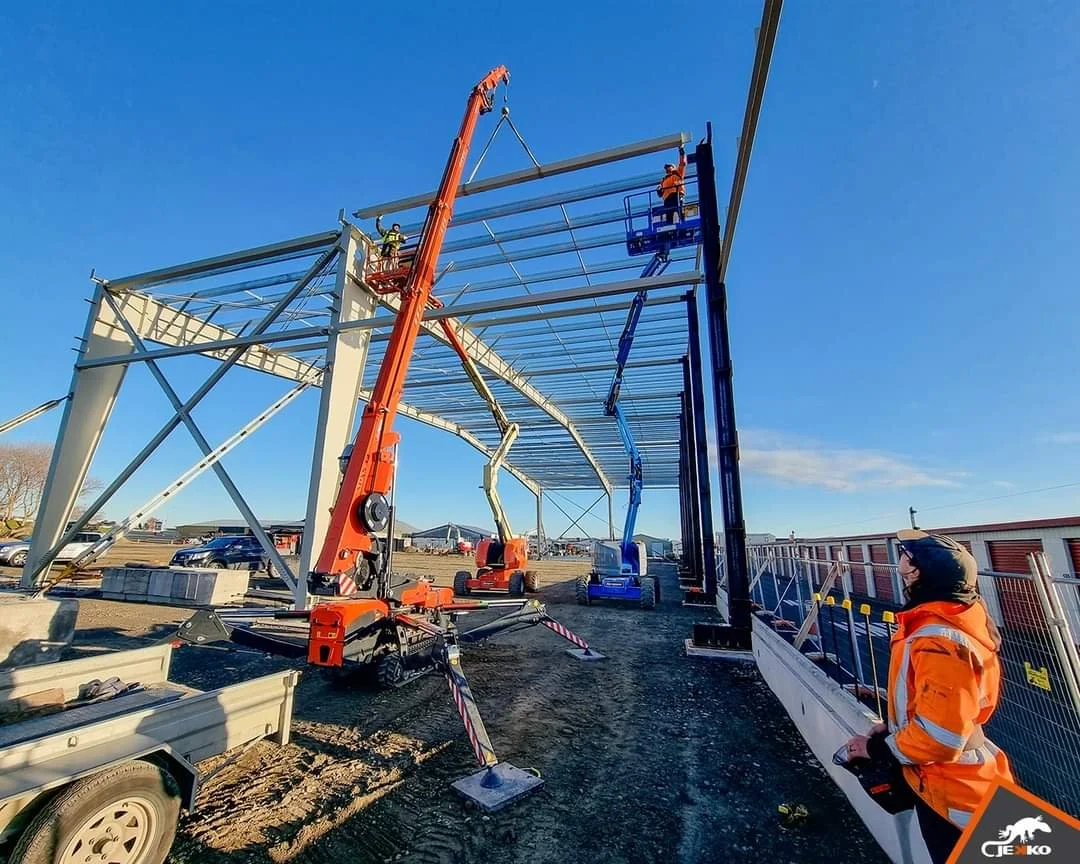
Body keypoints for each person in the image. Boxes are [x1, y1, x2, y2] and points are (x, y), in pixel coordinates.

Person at [842, 530, 1013, 864]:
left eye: (906, 556)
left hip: (952, 793)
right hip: (958, 782)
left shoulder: (938, 639)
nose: (899, 561)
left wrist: (876, 748)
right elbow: (939, 709)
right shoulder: (952, 620)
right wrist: (893, 728)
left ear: (916, 572)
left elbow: (942, 735)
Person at [656, 145, 687, 224]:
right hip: (667, 199)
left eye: (668, 166)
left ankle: (683, 222)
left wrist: (681, 151)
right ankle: (669, 227)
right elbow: (660, 193)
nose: (667, 168)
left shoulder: (678, 173)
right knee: (669, 216)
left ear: (673, 167)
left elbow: (682, 163)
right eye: (666, 167)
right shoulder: (663, 180)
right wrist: (659, 191)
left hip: (677, 195)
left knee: (680, 211)